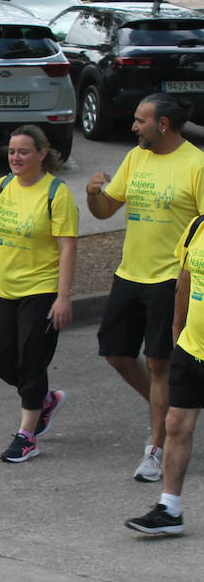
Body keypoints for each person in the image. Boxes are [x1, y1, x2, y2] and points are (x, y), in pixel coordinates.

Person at [86, 93, 204, 483]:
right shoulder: (136, 158)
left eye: (140, 121)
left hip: (170, 277)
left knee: (159, 363)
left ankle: (155, 448)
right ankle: (169, 409)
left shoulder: (197, 164)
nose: (134, 126)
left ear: (163, 125)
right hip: (129, 273)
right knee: (116, 354)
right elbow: (107, 210)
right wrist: (92, 193)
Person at [0, 125, 79, 463]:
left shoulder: (56, 193)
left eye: (23, 151)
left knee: (32, 360)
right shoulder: (3, 186)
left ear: (41, 154)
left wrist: (63, 296)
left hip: (42, 290)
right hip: (7, 288)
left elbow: (67, 248)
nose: (16, 157)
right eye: (12, 151)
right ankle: (44, 400)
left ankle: (26, 435)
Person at [126, 211, 204, 536]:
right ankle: (169, 509)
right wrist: (177, 327)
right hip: (192, 348)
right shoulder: (198, 226)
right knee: (174, 425)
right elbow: (186, 277)